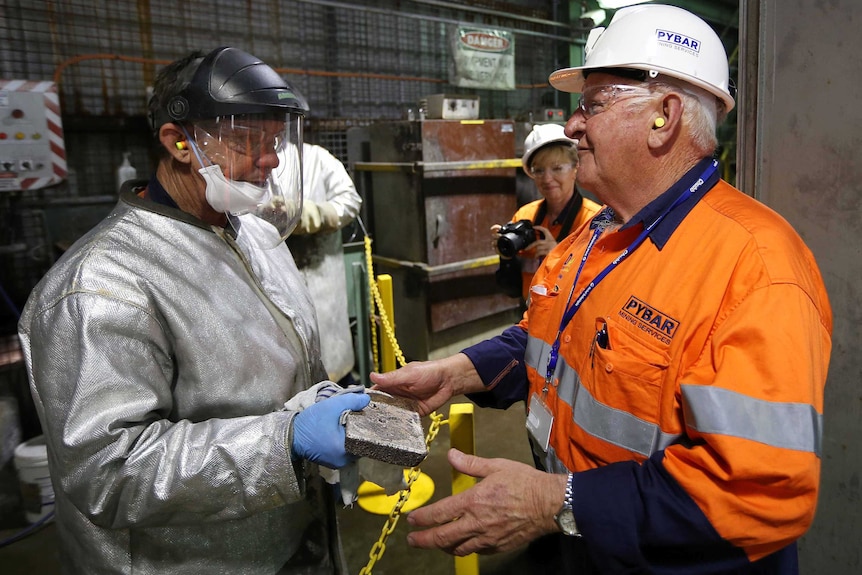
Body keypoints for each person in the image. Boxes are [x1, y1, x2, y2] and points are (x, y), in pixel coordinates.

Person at [370, 5, 833, 574]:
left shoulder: (756, 268)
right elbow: (550, 340)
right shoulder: (602, 232)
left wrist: (553, 503)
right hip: (585, 548)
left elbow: (762, 493)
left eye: (592, 104)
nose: (571, 126)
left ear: (663, 116)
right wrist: (460, 371)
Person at [17, 46, 370, 574]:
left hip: (288, 539)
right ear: (179, 143)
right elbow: (109, 472)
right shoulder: (100, 285)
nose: (272, 160)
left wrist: (325, 400)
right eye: (250, 140)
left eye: (275, 142)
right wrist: (284, 441)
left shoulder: (255, 235)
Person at [492, 123, 600, 302]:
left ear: (575, 168)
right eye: (539, 170)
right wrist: (506, 258)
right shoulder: (525, 216)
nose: (547, 178)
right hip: (531, 318)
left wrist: (559, 256)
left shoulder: (595, 221)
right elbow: (511, 288)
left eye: (557, 168)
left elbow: (600, 291)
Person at [286, 143, 361, 385]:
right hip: (280, 275)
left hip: (322, 275)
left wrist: (319, 214)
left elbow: (350, 200)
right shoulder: (251, 158)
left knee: (331, 361)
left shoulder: (318, 158)